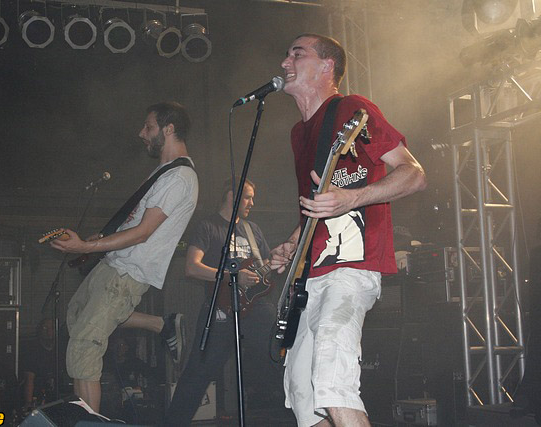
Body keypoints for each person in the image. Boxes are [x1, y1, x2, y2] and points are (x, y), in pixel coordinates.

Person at [270, 34, 426, 427]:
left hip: (350, 268)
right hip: (310, 277)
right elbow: (318, 206)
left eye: (297, 53)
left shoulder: (352, 108)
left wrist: (352, 198)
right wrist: (294, 243)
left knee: (331, 379)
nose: (285, 61)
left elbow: (413, 174)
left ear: (327, 67)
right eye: (287, 54)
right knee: (303, 397)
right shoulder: (299, 133)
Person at [50, 102, 198, 413]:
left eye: (149, 127)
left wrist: (84, 248)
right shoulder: (164, 171)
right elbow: (134, 222)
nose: (141, 133)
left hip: (128, 273)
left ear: (169, 129)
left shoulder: (179, 177)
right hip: (115, 264)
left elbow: (143, 232)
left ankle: (88, 422)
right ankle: (162, 324)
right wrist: (101, 240)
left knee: (84, 347)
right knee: (76, 316)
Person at [165, 178, 282, 425]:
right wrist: (233, 276)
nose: (252, 203)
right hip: (220, 309)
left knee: (279, 357)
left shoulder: (253, 230)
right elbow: (191, 267)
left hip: (254, 308)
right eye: (248, 197)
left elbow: (264, 271)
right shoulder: (208, 226)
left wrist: (277, 262)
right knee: (197, 373)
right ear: (232, 196)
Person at [21, 318, 56, 409]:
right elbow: (29, 379)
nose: (49, 331)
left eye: (52, 328)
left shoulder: (61, 350)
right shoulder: (32, 351)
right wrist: (28, 403)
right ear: (39, 330)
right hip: (38, 397)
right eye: (45, 328)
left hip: (58, 397)